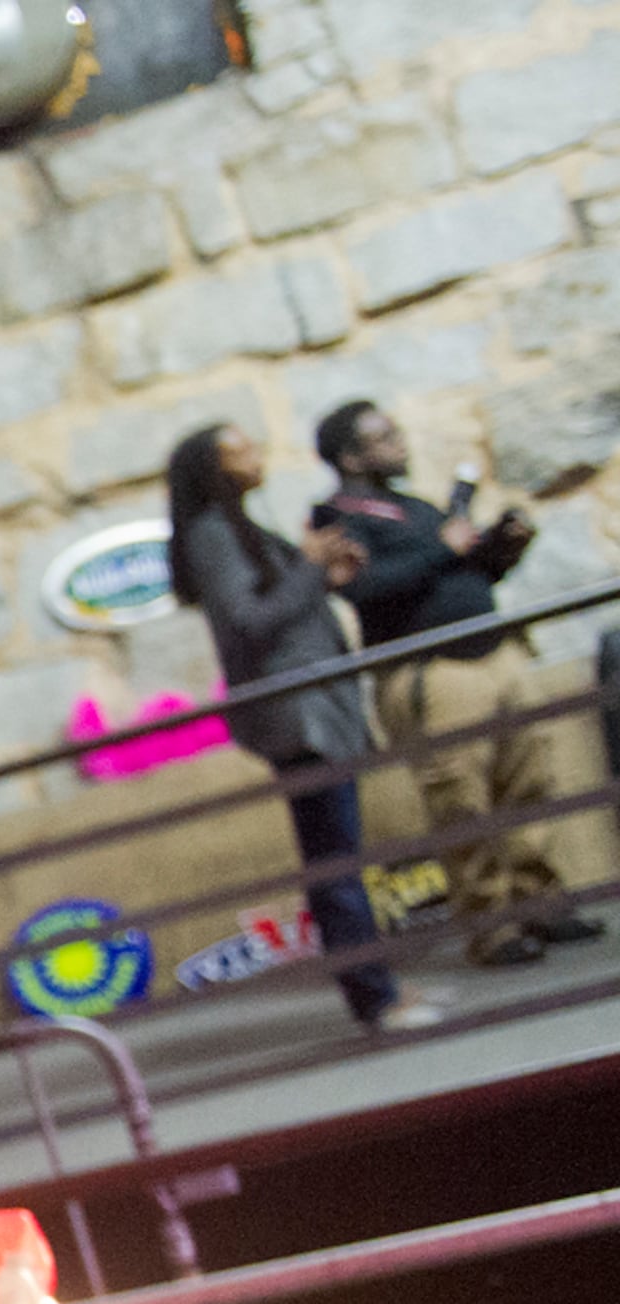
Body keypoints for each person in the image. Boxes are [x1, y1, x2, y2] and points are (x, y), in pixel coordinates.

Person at [163, 425, 444, 1032]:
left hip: (316, 709)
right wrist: (312, 567)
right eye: (240, 447)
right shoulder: (212, 534)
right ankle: (373, 997)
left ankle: (376, 986)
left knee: (337, 854)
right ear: (212, 470)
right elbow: (249, 619)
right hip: (299, 717)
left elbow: (274, 606)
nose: (257, 452)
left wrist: (324, 575)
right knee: (333, 859)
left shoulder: (236, 529)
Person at [311, 399, 599, 965]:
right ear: (349, 455)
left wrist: (499, 548)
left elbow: (460, 571)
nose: (399, 443)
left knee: (527, 782)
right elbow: (363, 587)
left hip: (494, 653)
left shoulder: (413, 507)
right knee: (461, 801)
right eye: (383, 436)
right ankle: (492, 925)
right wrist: (444, 546)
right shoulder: (338, 517)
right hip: (433, 673)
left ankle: (540, 900)